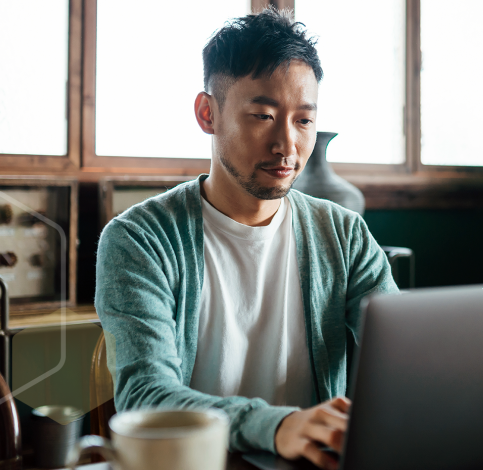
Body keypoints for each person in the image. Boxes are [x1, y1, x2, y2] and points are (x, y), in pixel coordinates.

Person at [94, 8, 398, 470]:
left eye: (304, 121)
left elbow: (403, 357)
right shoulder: (138, 240)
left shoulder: (343, 233)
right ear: (207, 113)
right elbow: (146, 396)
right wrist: (276, 427)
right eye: (263, 115)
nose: (287, 145)